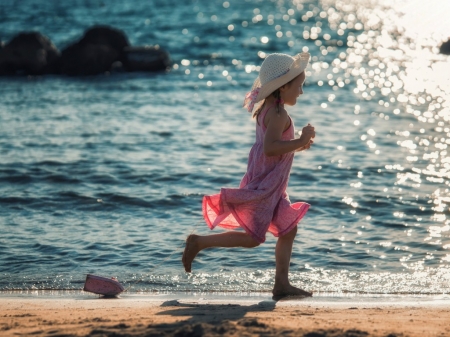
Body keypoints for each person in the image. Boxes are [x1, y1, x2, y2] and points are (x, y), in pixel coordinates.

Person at [182, 52, 316, 298]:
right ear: (283, 86)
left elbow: (274, 146)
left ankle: (281, 285)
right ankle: (199, 242)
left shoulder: (270, 109)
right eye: (299, 86)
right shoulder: (278, 114)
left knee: (288, 229)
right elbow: (271, 147)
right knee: (254, 238)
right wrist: (300, 140)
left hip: (272, 183)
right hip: (267, 184)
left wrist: (298, 143)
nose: (301, 92)